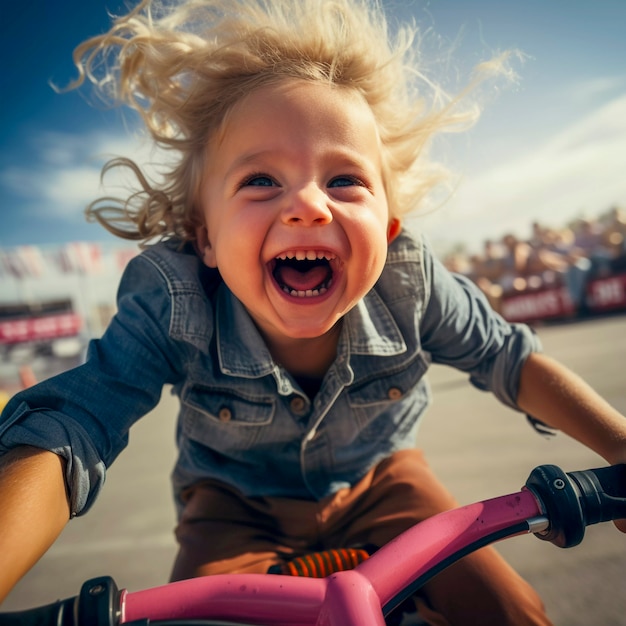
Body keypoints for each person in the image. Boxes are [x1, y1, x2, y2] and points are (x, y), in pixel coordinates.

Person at [1, 1, 625, 624]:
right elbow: (76, 421)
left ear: (389, 227)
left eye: (345, 181)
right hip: (232, 507)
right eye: (260, 181)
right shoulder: (174, 297)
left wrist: (619, 444)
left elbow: (508, 359)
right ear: (207, 241)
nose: (307, 205)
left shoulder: (411, 282)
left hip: (386, 484)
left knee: (515, 611)